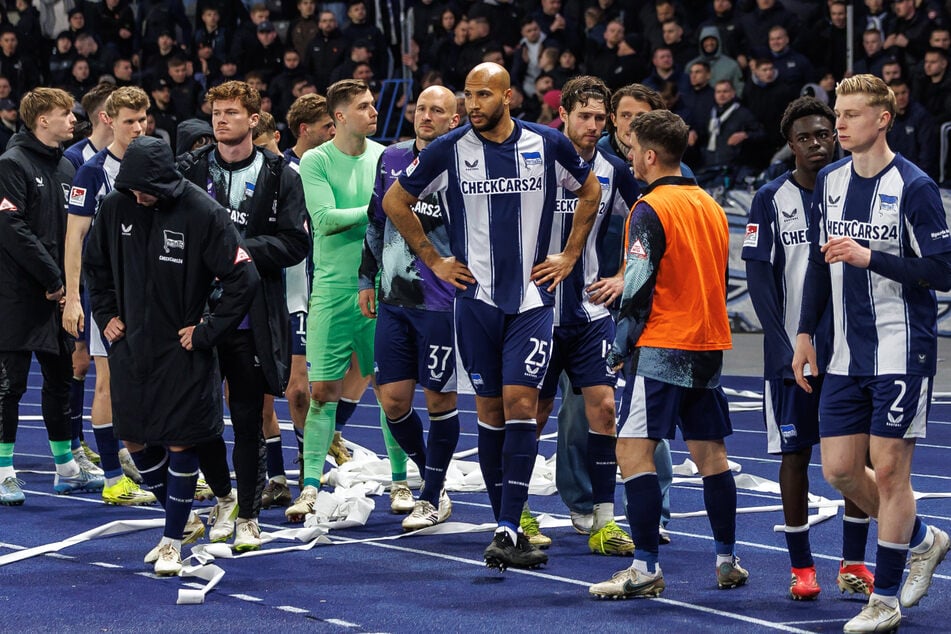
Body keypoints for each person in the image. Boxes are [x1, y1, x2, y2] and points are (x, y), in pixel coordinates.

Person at [383, 62, 602, 570]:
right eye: (469, 95)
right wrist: (434, 259)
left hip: (530, 302)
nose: (473, 104)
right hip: (475, 303)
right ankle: (509, 525)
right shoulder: (449, 148)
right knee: (490, 413)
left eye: (483, 95)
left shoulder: (547, 144)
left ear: (508, 97)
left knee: (521, 401)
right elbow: (397, 200)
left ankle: (506, 525)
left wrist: (569, 255)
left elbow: (589, 191)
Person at [792, 74, 951, 632]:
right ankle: (924, 538)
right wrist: (806, 333)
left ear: (882, 119)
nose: (839, 124)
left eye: (852, 114)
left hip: (902, 350)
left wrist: (870, 258)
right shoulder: (830, 181)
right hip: (842, 355)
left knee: (888, 474)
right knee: (838, 472)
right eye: (838, 113)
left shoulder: (915, 187)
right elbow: (818, 261)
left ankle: (883, 601)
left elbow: (943, 271)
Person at [82, 135, 258, 575]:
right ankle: (187, 518)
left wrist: (207, 331)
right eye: (131, 188)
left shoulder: (202, 212)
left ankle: (171, 540)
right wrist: (105, 314)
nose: (137, 196)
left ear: (162, 181)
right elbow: (95, 266)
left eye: (144, 188)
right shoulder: (118, 206)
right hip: (130, 347)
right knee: (134, 438)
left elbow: (244, 277)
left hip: (182, 349)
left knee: (181, 437)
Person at [589, 108, 747, 598]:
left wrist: (618, 346)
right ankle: (726, 560)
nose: (629, 157)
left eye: (633, 149)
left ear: (651, 155)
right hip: (708, 344)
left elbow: (636, 283)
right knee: (711, 456)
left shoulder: (649, 208)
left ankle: (644, 568)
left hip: (661, 345)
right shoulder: (711, 205)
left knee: (632, 452)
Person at [742, 96, 874, 601]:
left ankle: (854, 562)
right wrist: (781, 347)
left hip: (854, 355)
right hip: (794, 357)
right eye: (806, 137)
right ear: (790, 144)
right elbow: (758, 279)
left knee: (854, 459)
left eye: (824, 134)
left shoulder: (854, 192)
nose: (818, 144)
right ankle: (802, 568)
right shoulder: (769, 200)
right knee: (795, 455)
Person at [177, 80, 309, 551]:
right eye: (216, 112)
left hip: (251, 318)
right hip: (195, 316)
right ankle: (224, 496)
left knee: (248, 418)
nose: (220, 119)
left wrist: (233, 250)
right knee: (197, 419)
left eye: (232, 112)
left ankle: (250, 515)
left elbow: (297, 243)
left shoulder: (280, 174)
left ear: (254, 119)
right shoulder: (189, 169)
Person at [289, 79, 412, 523]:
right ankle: (308, 486)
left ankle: (400, 479)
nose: (373, 111)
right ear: (339, 116)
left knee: (391, 392)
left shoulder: (387, 157)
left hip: (384, 290)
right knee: (322, 391)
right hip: (332, 290)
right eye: (363, 106)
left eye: (373, 104)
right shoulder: (315, 160)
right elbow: (323, 220)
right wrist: (381, 207)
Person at [533, 75, 637, 556]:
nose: (593, 126)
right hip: (531, 312)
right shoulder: (531, 159)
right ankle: (517, 513)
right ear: (564, 116)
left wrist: (623, 276)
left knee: (606, 410)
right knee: (529, 417)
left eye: (600, 118)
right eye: (585, 116)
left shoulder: (615, 170)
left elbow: (649, 222)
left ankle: (604, 519)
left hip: (590, 312)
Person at [358, 85, 462, 531]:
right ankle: (432, 481)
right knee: (393, 400)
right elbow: (376, 220)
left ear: (454, 120)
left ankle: (431, 491)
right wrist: (367, 277)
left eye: (437, 110)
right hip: (394, 300)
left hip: (443, 303)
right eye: (421, 108)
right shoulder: (392, 158)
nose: (426, 116)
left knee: (440, 399)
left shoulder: (465, 163)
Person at [0, 87, 104, 505]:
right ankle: (4, 470)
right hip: (16, 295)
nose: (73, 120)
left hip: (60, 294)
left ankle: (66, 469)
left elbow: (75, 232)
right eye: (65, 114)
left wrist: (70, 284)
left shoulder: (65, 165)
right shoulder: (11, 164)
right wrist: (54, 277)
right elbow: (11, 229)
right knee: (10, 387)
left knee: (61, 379)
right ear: (42, 119)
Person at [62, 86, 156, 506]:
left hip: (153, 294)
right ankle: (114, 480)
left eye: (142, 120)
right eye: (129, 121)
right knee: (109, 381)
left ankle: (159, 473)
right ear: (107, 120)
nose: (137, 129)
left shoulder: (155, 163)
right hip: (108, 296)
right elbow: (74, 237)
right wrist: (73, 299)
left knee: (155, 382)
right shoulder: (92, 172)